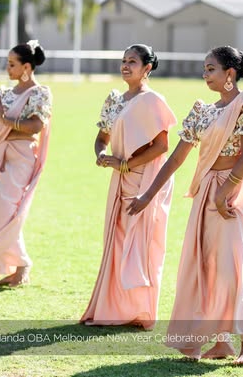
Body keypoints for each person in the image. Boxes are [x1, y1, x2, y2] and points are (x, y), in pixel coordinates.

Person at [127, 46, 243, 365]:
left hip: (234, 192)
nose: (205, 74)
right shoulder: (203, 111)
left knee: (230, 265)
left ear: (230, 73)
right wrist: (148, 195)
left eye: (211, 69)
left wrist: (224, 192)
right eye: (204, 69)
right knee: (204, 265)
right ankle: (220, 342)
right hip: (206, 191)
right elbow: (177, 157)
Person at [81, 44, 177, 330]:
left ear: (147, 68)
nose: (125, 65)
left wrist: (125, 163)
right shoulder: (114, 99)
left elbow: (162, 146)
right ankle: (114, 308)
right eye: (123, 60)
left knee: (142, 244)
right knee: (117, 242)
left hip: (145, 179)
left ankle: (140, 311)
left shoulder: (152, 101)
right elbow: (102, 138)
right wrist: (101, 154)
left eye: (132, 61)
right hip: (120, 179)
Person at [0, 40, 52, 286]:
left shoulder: (40, 93)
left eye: (12, 64)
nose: (8, 68)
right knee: (1, 213)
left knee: (2, 211)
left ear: (27, 67)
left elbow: (36, 126)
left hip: (22, 158)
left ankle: (22, 265)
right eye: (7, 63)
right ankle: (16, 266)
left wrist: (5, 120)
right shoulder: (3, 93)